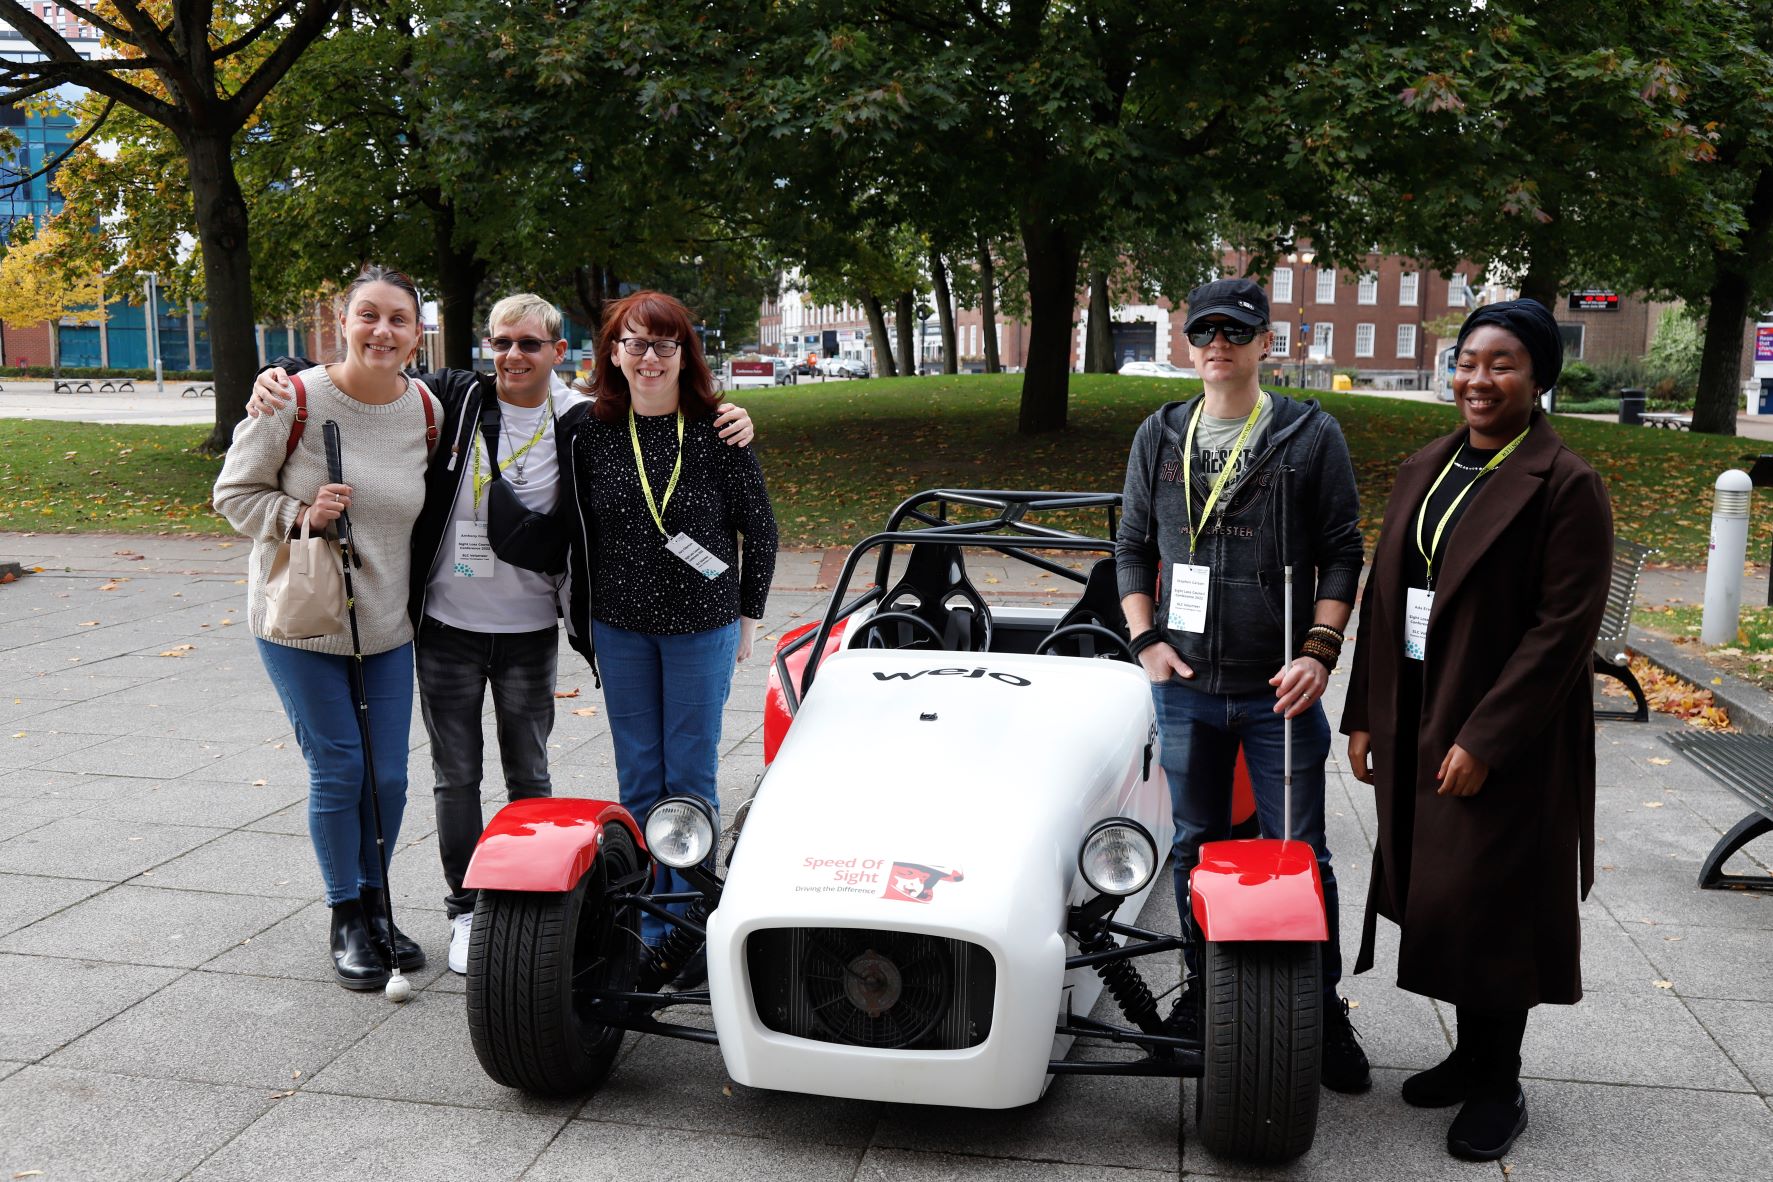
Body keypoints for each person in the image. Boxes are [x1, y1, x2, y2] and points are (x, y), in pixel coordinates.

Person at [248, 296, 755, 975]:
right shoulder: (455, 396)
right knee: (454, 777)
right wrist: (279, 369)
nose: (513, 355)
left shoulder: (582, 420)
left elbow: (657, 435)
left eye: (529, 343)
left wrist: (730, 414)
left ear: (557, 351)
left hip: (528, 630)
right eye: (500, 342)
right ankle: (466, 909)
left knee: (530, 775)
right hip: (446, 628)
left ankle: (540, 909)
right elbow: (364, 371)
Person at [1341, 298, 1612, 1161]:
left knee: (1494, 904)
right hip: (1417, 707)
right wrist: (1362, 711)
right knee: (1442, 893)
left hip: (1504, 731)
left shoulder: (1563, 484)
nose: (1476, 379)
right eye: (1466, 361)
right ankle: (1466, 1058)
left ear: (1538, 380)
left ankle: (1500, 1083)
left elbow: (1561, 631)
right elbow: (1388, 597)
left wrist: (1486, 739)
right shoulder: (1428, 463)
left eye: (1500, 364)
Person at [1115, 276, 1370, 1092]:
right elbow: (1126, 544)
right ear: (1189, 345)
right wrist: (1146, 639)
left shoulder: (1307, 434)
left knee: (1299, 852)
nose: (1218, 343)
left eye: (1236, 330)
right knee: (1192, 847)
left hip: (1276, 689)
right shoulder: (1158, 435)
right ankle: (1204, 992)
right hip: (1185, 684)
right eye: (1204, 332)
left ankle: (1318, 1006)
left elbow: (1341, 549)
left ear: (1266, 344)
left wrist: (1320, 651)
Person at [213, 265, 442, 991]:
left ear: (416, 332)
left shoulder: (427, 411)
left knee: (392, 775)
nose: (382, 330)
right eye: (367, 315)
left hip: (383, 623)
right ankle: (346, 913)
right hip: (301, 620)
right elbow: (233, 495)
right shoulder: (294, 399)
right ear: (341, 321)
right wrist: (301, 515)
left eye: (398, 319)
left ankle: (379, 905)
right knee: (340, 767)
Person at [557, 290, 776, 985]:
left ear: (685, 354)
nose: (648, 358)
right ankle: (646, 915)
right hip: (619, 628)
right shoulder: (588, 432)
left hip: (699, 627)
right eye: (633, 343)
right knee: (639, 776)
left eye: (663, 344)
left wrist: (746, 617)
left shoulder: (720, 429)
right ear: (612, 354)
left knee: (689, 775)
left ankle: (689, 927)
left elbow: (759, 530)